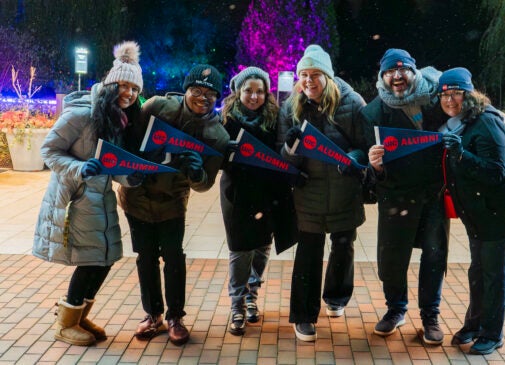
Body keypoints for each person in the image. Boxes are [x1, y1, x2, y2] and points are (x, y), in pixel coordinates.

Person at [33, 41, 145, 346]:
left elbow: (112, 164)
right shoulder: (81, 115)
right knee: (90, 260)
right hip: (75, 198)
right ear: (111, 84)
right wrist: (80, 168)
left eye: (135, 89)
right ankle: (65, 323)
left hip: (101, 197)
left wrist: (132, 177)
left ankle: (78, 316)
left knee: (105, 258)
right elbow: (49, 151)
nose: (130, 94)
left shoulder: (118, 120)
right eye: (124, 85)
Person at [118, 64, 229, 345]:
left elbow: (205, 184)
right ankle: (152, 314)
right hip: (138, 197)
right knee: (145, 257)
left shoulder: (218, 136)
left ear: (217, 98)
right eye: (196, 90)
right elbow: (129, 141)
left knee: (174, 257)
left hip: (172, 201)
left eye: (210, 94)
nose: (202, 97)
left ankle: (175, 316)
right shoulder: (158, 107)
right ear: (186, 90)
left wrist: (196, 173)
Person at [438, 67, 505, 355]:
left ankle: (492, 333)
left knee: (493, 271)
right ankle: (473, 324)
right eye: (444, 94)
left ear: (468, 95)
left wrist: (462, 155)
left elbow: (496, 172)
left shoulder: (486, 123)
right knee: (478, 269)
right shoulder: (456, 123)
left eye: (456, 93)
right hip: (481, 208)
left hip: (504, 207)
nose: (449, 100)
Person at [277, 45, 367, 342]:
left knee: (343, 246)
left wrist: (353, 159)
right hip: (309, 193)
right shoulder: (290, 107)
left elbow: (364, 145)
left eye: (315, 74)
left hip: (344, 191)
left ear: (327, 76)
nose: (308, 80)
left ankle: (337, 297)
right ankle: (303, 316)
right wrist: (290, 147)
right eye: (303, 74)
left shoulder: (352, 103)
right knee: (308, 253)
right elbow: (282, 157)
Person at [362, 49, 449, 344]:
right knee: (391, 257)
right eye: (390, 71)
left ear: (415, 72)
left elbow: (467, 111)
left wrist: (496, 116)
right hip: (395, 195)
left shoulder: (435, 100)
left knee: (435, 255)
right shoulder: (372, 112)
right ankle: (395, 309)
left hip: (431, 193)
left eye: (403, 70)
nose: (397, 76)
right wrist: (375, 166)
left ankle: (430, 315)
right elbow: (366, 165)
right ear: (382, 77)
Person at [220, 66, 297, 335]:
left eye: (260, 91)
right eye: (248, 91)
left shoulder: (275, 118)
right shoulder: (225, 119)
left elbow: (281, 152)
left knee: (263, 245)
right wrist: (225, 153)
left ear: (267, 93)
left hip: (267, 191)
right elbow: (216, 155)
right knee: (240, 248)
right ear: (238, 92)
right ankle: (237, 303)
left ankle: (252, 294)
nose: (254, 96)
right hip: (237, 192)